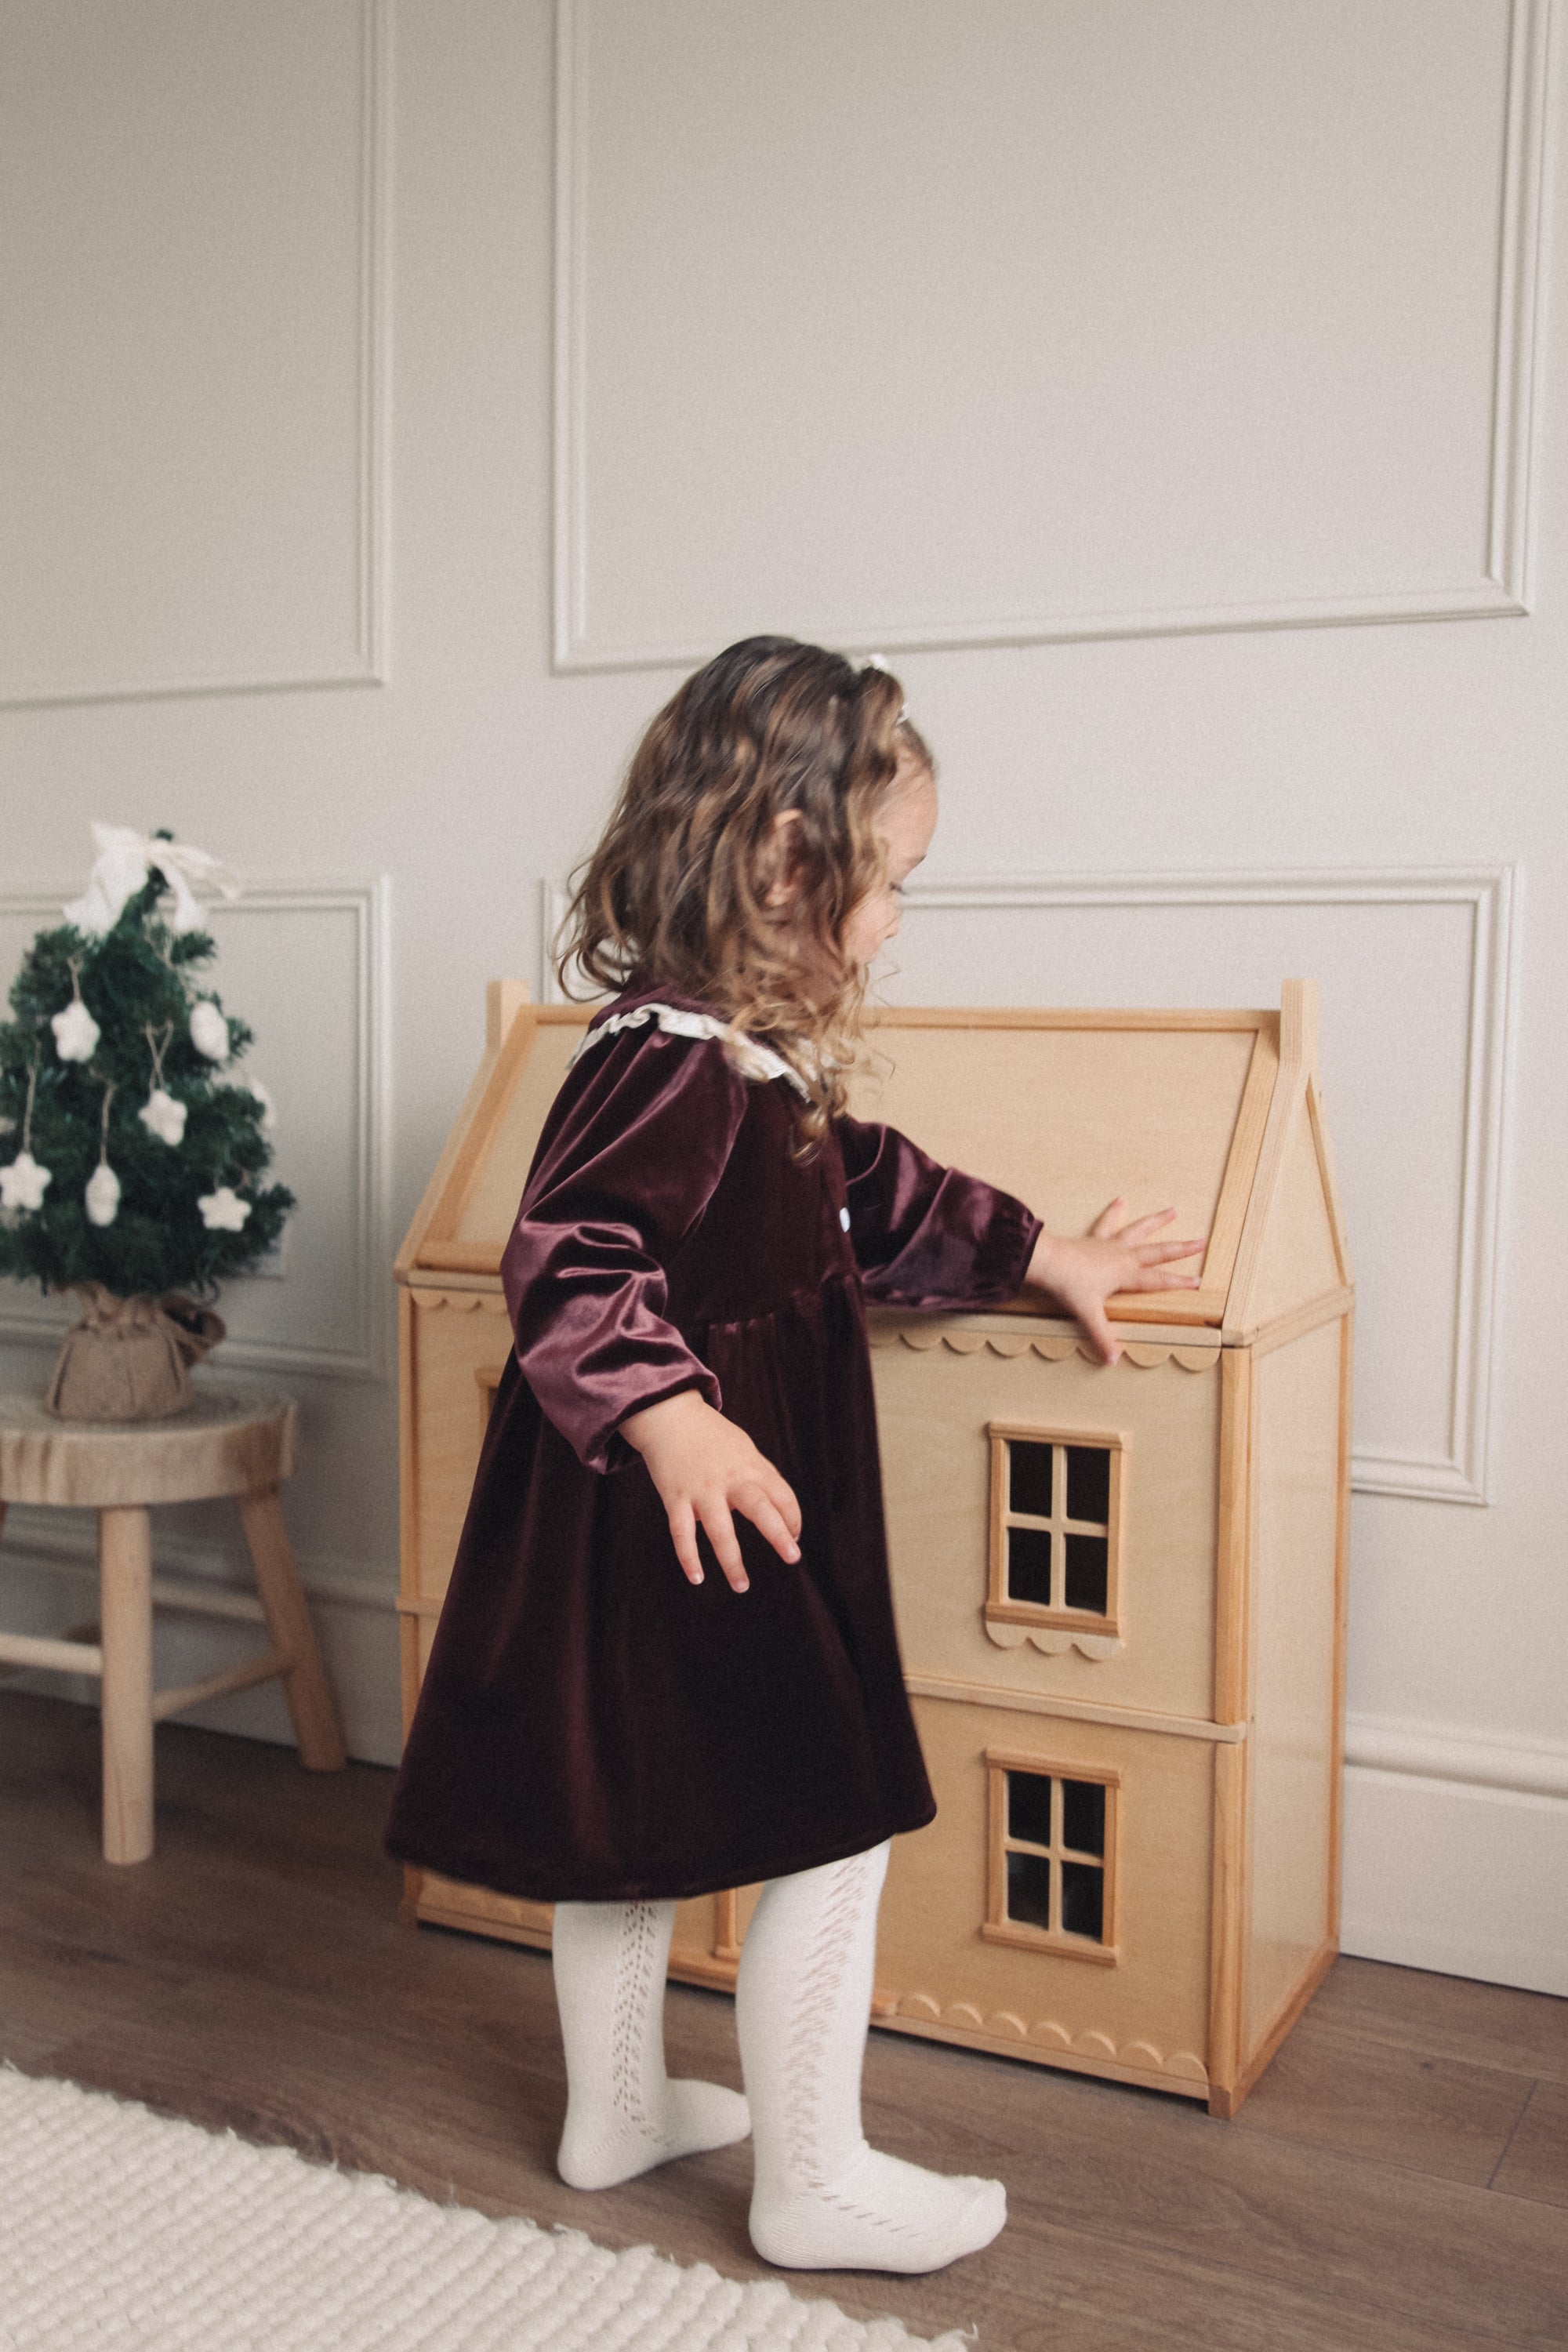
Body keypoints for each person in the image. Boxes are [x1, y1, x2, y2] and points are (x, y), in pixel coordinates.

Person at [386, 637, 1203, 2274]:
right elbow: (569, 1255)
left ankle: (615, 2113)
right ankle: (811, 2179)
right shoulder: (665, 1065)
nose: (895, 921)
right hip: (698, 1512)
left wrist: (1039, 1251)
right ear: (779, 861)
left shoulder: (728, 1058)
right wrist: (673, 1416)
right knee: (830, 1825)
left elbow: (867, 1192)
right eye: (889, 882)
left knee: (632, 1819)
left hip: (662, 1519)